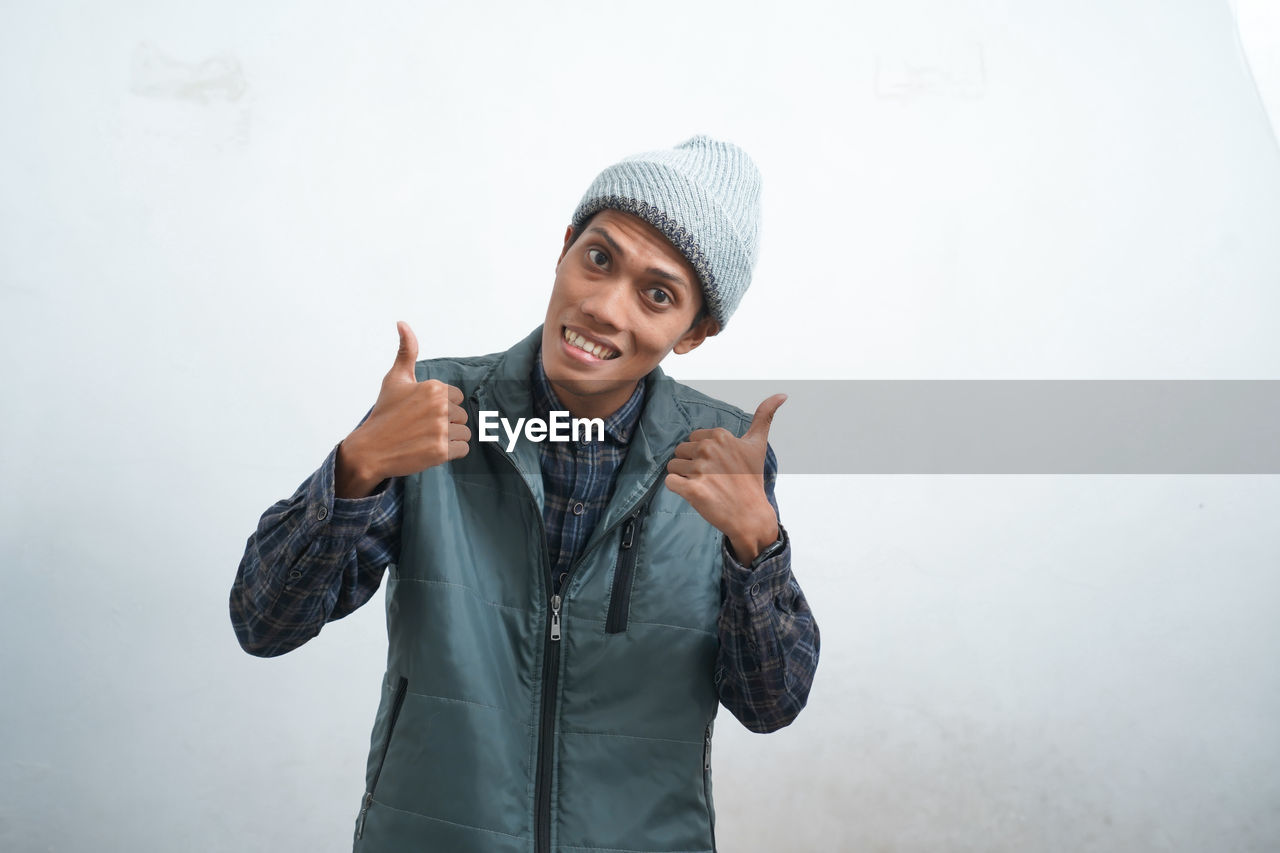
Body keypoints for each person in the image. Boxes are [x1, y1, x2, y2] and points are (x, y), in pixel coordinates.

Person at [230, 136, 820, 853]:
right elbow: (265, 621)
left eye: (656, 294)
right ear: (566, 246)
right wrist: (352, 470)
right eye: (598, 259)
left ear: (694, 333)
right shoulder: (434, 410)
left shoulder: (722, 460)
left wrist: (757, 547)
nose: (604, 306)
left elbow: (769, 705)